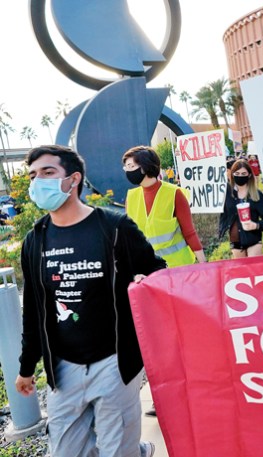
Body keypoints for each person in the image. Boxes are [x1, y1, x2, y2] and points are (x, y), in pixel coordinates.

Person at [16, 145, 165, 457]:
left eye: (47, 172)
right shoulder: (35, 240)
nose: (37, 182)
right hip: (64, 367)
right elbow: (33, 307)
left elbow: (156, 271)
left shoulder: (114, 227)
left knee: (116, 452)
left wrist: (142, 282)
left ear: (73, 179)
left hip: (114, 362)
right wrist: (26, 366)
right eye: (32, 175)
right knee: (66, 452)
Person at [123, 146, 206, 267]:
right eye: (126, 167)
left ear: (145, 166)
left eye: (131, 166)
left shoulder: (174, 194)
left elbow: (189, 232)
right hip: (148, 269)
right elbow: (129, 238)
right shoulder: (131, 197)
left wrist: (204, 264)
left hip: (178, 267)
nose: (127, 171)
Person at [219, 159, 263, 258]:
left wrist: (256, 225)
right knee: (242, 271)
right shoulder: (226, 194)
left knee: (255, 268)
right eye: (237, 173)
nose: (240, 176)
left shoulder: (256, 194)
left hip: (253, 238)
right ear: (232, 175)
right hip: (235, 239)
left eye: (244, 173)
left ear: (249, 175)